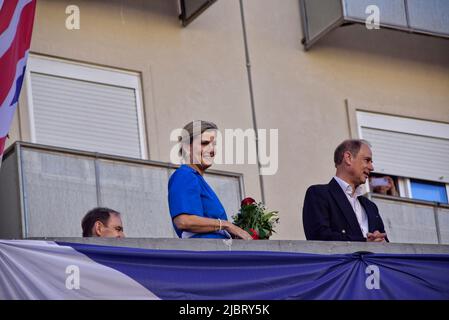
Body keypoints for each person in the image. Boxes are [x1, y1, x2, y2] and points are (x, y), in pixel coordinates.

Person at [168, 120, 252, 240]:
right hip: (203, 253)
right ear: (187, 147)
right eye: (205, 143)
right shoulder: (185, 175)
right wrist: (227, 226)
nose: (212, 150)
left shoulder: (196, 179)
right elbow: (183, 221)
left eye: (214, 144)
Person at [302, 139, 388, 242]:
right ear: (348, 158)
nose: (372, 167)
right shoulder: (318, 194)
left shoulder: (371, 207)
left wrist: (382, 242)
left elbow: (385, 244)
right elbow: (319, 237)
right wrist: (365, 242)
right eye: (367, 160)